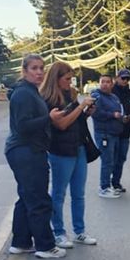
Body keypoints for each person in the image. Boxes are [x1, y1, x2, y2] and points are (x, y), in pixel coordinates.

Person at [4, 54, 65, 259]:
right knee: (39, 199)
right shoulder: (23, 94)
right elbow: (23, 126)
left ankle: (20, 242)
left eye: (41, 68)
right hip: (26, 150)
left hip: (27, 150)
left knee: (27, 197)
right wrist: (48, 118)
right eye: (34, 68)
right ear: (24, 71)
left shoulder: (30, 91)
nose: (39, 72)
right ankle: (45, 246)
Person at [39, 61, 98, 249]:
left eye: (71, 79)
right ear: (56, 79)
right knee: (58, 193)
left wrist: (87, 113)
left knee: (79, 193)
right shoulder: (48, 99)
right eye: (66, 79)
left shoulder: (71, 94)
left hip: (79, 147)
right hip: (61, 151)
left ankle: (79, 231)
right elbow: (62, 124)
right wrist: (80, 108)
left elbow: (75, 121)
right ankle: (59, 232)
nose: (70, 82)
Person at [91, 75, 124, 198]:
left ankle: (109, 185)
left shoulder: (114, 97)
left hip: (115, 133)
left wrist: (122, 117)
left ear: (112, 84)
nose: (105, 84)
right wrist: (112, 115)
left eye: (107, 82)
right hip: (104, 134)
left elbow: (119, 111)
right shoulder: (97, 96)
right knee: (107, 161)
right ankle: (104, 187)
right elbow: (96, 113)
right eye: (102, 82)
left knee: (113, 161)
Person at [110, 68, 130, 194]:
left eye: (127, 79)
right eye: (123, 78)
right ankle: (106, 183)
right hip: (112, 131)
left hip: (125, 132)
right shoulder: (111, 92)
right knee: (111, 159)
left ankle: (116, 182)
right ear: (117, 78)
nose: (125, 81)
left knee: (121, 158)